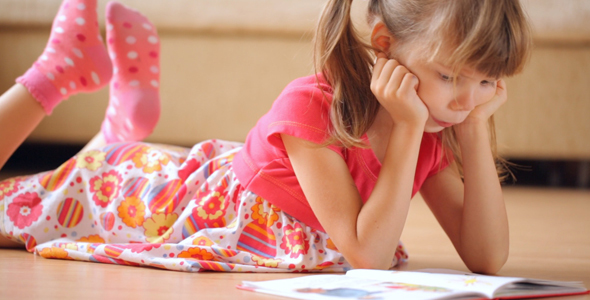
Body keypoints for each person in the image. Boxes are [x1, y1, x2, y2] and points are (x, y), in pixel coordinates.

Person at [0, 0, 531, 274]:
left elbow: (486, 258)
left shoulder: (438, 127)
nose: (467, 99)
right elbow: (367, 253)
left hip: (173, 184)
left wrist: (475, 130)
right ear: (386, 46)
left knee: (89, 171)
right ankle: (55, 76)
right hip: (163, 201)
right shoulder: (314, 108)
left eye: (486, 81)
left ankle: (118, 132)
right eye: (450, 76)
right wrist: (412, 128)